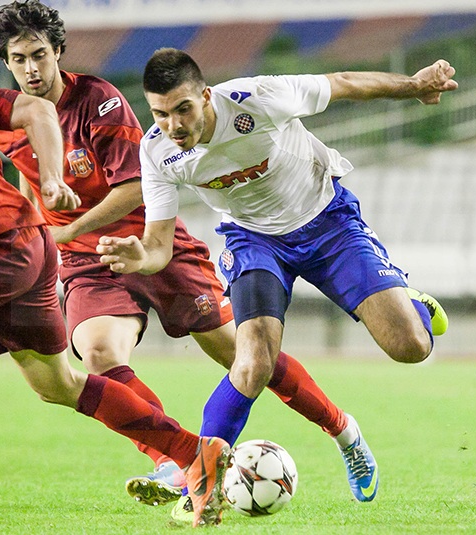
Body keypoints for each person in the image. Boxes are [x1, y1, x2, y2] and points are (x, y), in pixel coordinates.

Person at [0, 0, 376, 519]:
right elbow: (31, 188)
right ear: (7, 63)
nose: (31, 68)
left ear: (58, 52)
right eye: (19, 59)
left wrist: (69, 228)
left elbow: (131, 188)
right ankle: (174, 459)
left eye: (39, 54)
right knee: (99, 355)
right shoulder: (8, 123)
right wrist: (39, 232)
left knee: (245, 357)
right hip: (87, 262)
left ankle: (341, 430)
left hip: (153, 247)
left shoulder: (98, 101)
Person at [0, 19, 230, 529]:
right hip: (33, 239)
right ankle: (194, 453)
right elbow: (37, 111)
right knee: (57, 383)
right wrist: (53, 178)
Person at [96, 48, 455, 506]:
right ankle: (203, 490)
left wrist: (414, 86)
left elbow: (341, 81)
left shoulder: (258, 98)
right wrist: (139, 257)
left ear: (206, 97)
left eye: (183, 109)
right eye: (161, 113)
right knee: (251, 364)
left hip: (328, 223)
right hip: (254, 241)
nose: (174, 125)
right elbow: (159, 246)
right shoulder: (158, 152)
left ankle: (412, 306)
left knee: (410, 348)